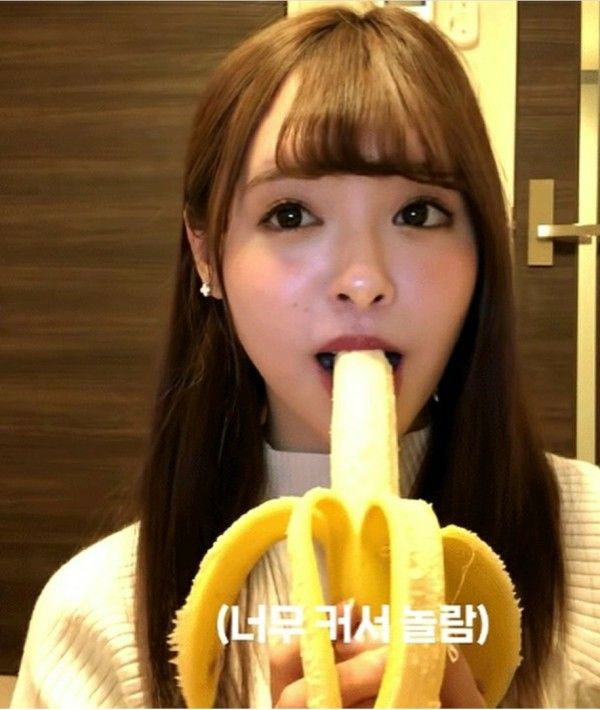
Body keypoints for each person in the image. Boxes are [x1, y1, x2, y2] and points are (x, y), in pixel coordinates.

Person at [10, 3, 600, 708]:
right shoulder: (95, 620)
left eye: (418, 213)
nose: (363, 281)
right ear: (207, 253)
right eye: (290, 215)